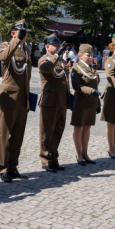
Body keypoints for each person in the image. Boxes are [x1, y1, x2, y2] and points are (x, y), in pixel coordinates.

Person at [0, 20, 32, 183]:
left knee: (18, 134)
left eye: (25, 33)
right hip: (10, 96)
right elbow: (3, 58)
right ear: (13, 33)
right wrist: (16, 40)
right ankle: (2, 167)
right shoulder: (6, 46)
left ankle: (13, 165)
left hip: (22, 97)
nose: (24, 35)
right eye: (21, 32)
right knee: (6, 134)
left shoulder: (26, 50)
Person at [38, 33, 70, 172]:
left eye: (58, 45)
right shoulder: (43, 60)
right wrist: (55, 57)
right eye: (54, 45)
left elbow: (66, 81)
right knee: (46, 132)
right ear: (47, 46)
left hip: (62, 100)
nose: (57, 47)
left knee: (58, 131)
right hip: (49, 101)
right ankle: (45, 159)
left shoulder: (62, 62)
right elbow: (47, 69)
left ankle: (54, 158)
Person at [71, 44, 101, 165]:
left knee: (87, 127)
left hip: (91, 102)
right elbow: (75, 86)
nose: (90, 57)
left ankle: (85, 153)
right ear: (80, 55)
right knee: (78, 128)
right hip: (81, 101)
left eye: (91, 55)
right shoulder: (76, 68)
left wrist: (98, 103)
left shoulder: (91, 69)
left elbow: (95, 85)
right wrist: (90, 91)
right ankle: (79, 155)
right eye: (88, 55)